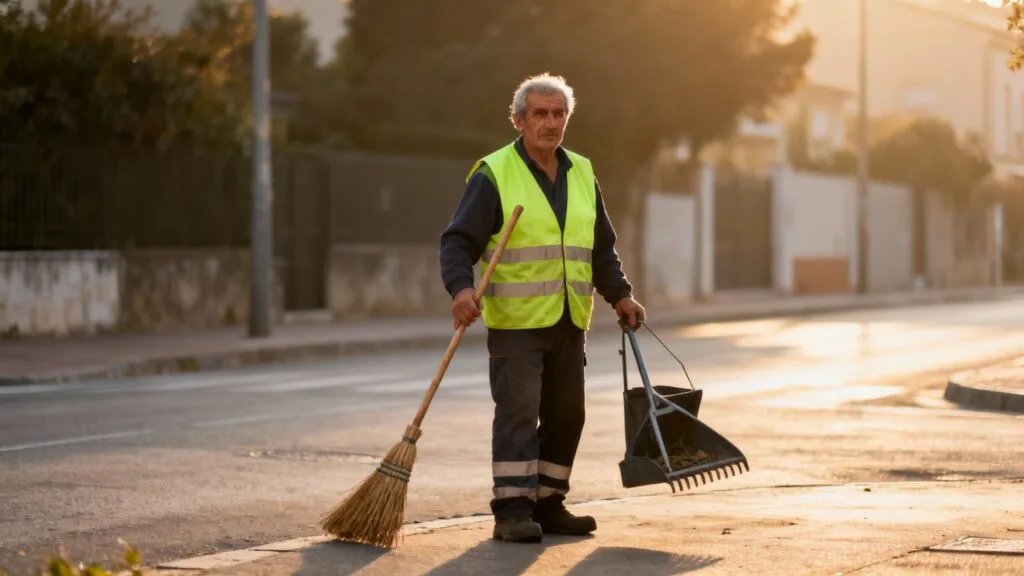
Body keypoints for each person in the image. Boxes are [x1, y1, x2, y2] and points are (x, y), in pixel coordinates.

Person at [438, 72, 646, 543]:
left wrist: (621, 294)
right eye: (540, 114)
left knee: (568, 413)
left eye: (559, 114)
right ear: (518, 120)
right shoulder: (494, 174)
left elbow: (600, 248)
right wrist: (461, 290)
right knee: (519, 411)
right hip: (517, 324)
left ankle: (550, 503)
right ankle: (512, 508)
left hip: (570, 318)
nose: (551, 123)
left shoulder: (583, 173)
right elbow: (457, 243)